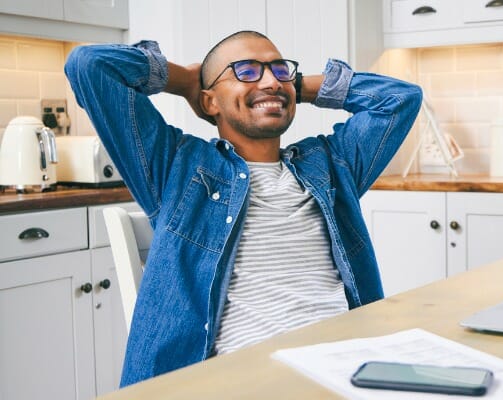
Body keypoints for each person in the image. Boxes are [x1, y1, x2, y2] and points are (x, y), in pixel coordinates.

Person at [64, 30, 422, 386]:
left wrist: (294, 85)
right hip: (241, 379)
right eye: (246, 71)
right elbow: (90, 65)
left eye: (280, 70)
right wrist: (184, 80)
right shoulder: (177, 166)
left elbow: (400, 99)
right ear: (209, 102)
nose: (270, 81)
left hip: (346, 366)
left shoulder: (330, 164)